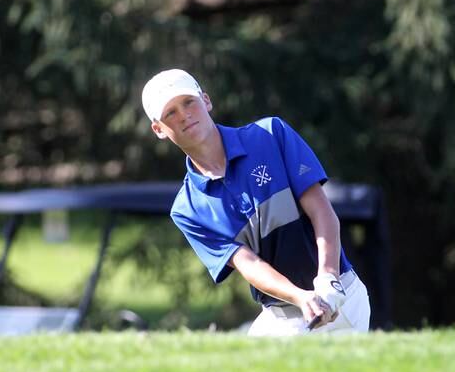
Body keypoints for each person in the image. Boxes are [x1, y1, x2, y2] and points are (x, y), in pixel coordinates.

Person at [141, 68, 371, 336]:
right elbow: (249, 264)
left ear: (206, 101)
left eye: (188, 102)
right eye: (170, 112)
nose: (184, 115)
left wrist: (328, 277)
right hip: (285, 317)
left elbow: (321, 210)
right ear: (158, 129)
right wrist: (302, 297)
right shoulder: (187, 209)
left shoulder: (271, 134)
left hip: (343, 296)